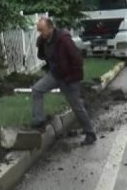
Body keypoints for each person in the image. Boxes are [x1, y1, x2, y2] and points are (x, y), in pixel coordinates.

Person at [31, 17, 97, 146]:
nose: (41, 34)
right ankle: (39, 121)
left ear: (50, 28)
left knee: (76, 107)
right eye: (39, 31)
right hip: (55, 74)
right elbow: (43, 56)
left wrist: (72, 78)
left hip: (68, 77)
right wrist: (40, 45)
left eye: (42, 30)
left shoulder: (63, 39)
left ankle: (90, 133)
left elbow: (77, 60)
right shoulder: (43, 40)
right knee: (37, 90)